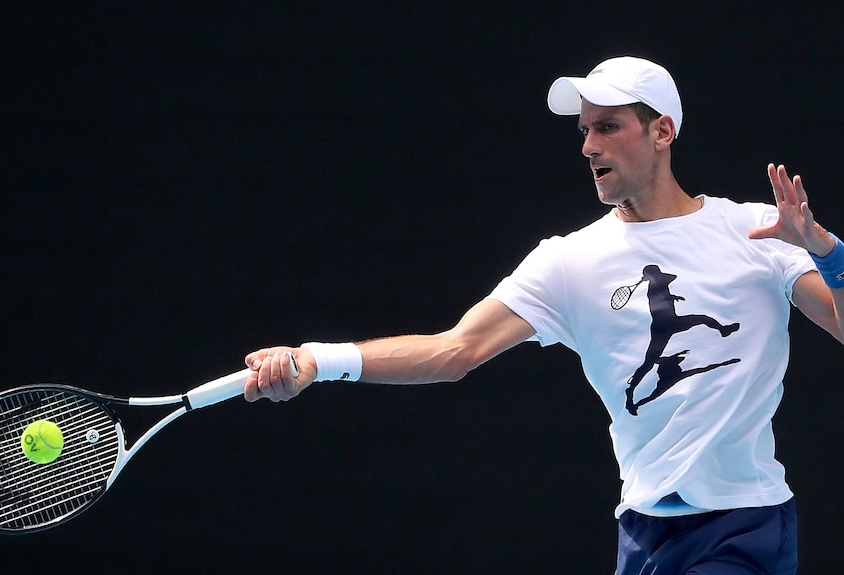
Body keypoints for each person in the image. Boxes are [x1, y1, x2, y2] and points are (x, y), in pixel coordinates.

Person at [241, 56, 844, 574]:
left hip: (745, 524)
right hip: (643, 532)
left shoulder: (758, 230)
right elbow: (454, 351)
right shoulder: (568, 262)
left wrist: (828, 252)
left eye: (607, 127)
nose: (588, 146)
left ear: (662, 131)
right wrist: (317, 361)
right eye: (584, 131)